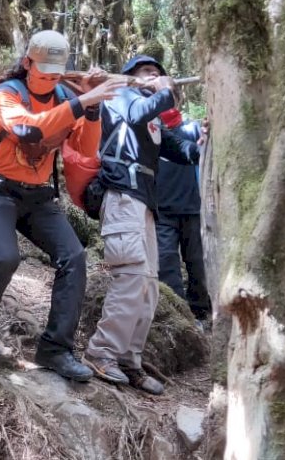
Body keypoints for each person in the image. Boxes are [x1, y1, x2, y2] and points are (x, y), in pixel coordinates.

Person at [0, 30, 122, 382]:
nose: (49, 78)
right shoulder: (7, 94)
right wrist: (82, 101)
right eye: (42, 70)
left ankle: (55, 348)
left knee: (74, 257)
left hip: (39, 197)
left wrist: (92, 107)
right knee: (4, 257)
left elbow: (86, 147)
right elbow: (26, 130)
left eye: (55, 72)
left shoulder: (65, 96)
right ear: (27, 64)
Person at [83, 55, 203, 395]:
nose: (152, 77)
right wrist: (164, 92)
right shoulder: (121, 96)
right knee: (131, 277)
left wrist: (203, 139)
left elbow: (180, 150)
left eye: (157, 73)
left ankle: (128, 359)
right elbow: (136, 112)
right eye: (145, 72)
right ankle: (101, 352)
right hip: (122, 195)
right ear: (130, 77)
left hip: (146, 204)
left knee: (149, 286)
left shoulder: (152, 121)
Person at [154, 108, 210, 323]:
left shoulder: (192, 129)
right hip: (161, 210)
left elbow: (205, 143)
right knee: (166, 261)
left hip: (193, 208)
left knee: (197, 262)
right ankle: (179, 314)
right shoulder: (149, 130)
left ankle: (200, 309)